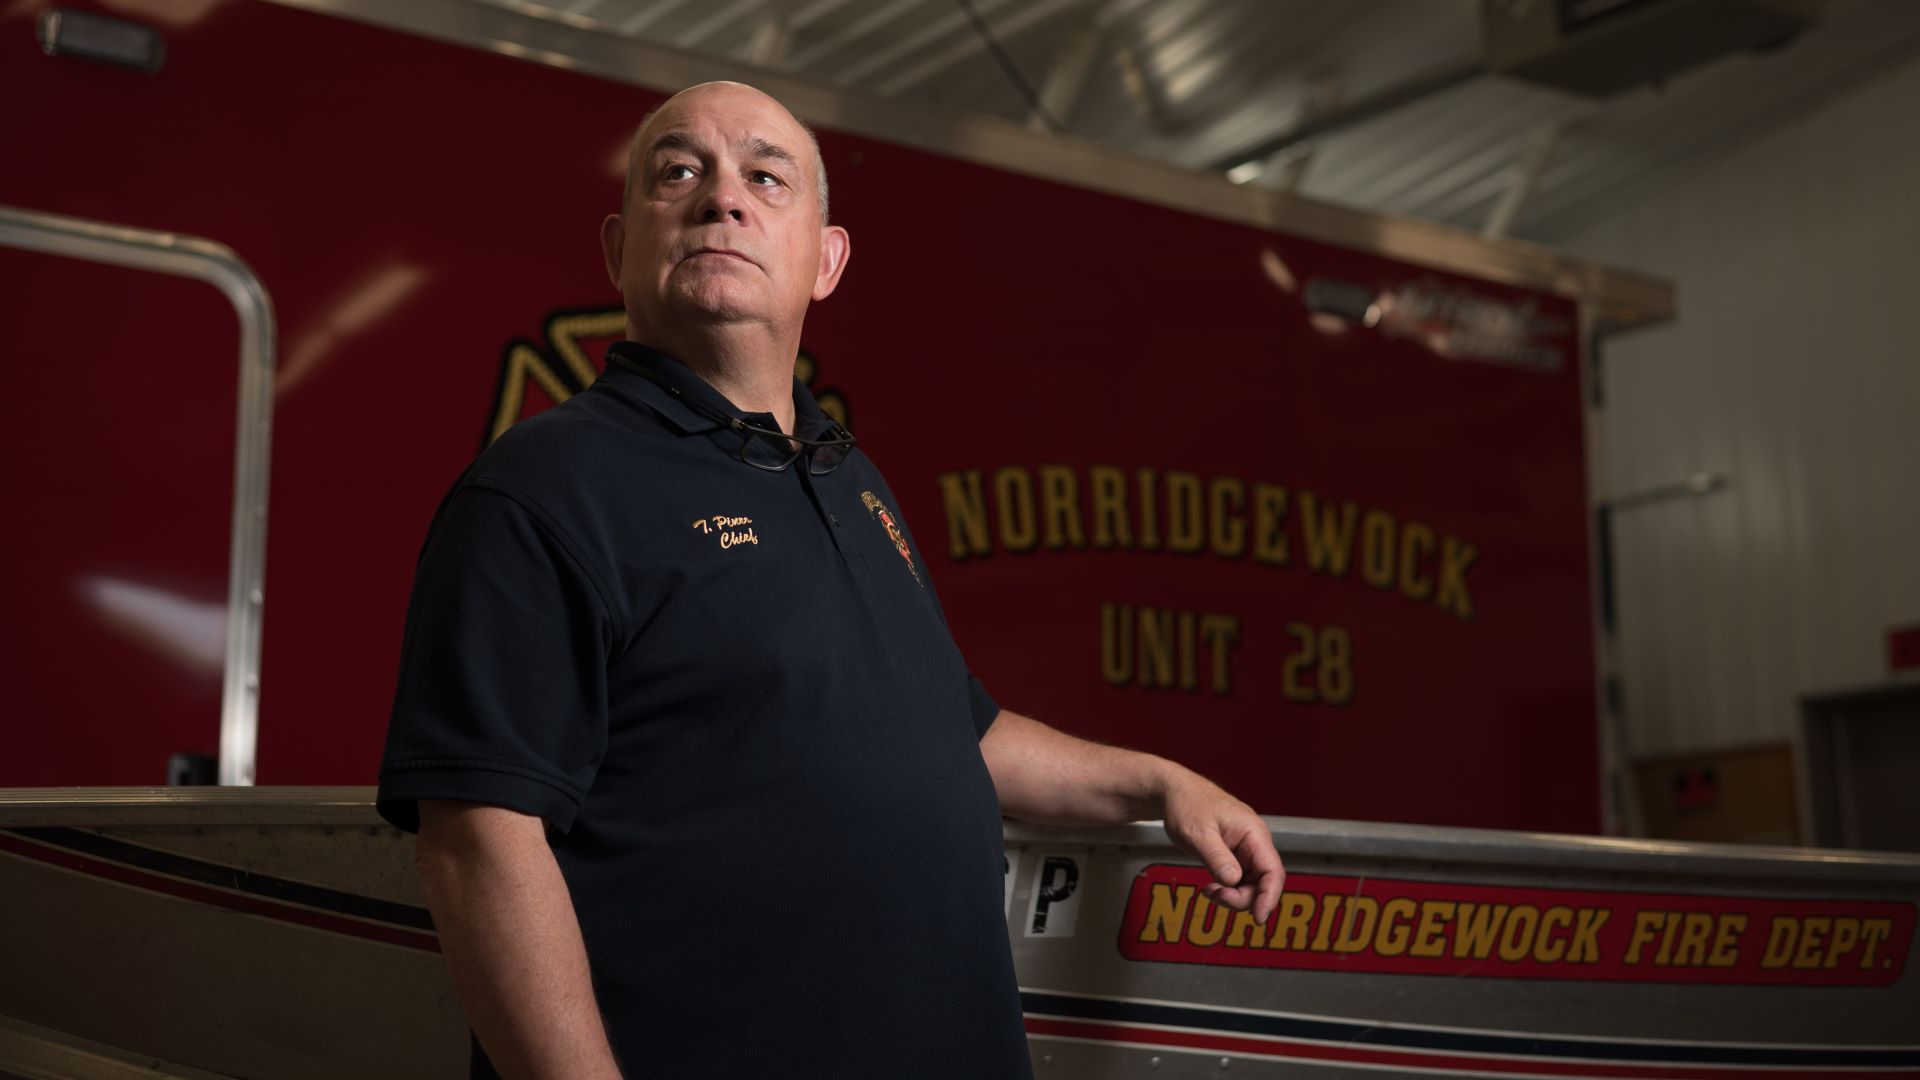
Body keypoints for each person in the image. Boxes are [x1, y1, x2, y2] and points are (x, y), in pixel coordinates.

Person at [376, 81, 1284, 1080]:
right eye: (677, 172)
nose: (722, 197)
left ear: (827, 260)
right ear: (617, 246)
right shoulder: (543, 489)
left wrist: (1159, 782)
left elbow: (960, 732)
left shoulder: (845, 476)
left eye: (767, 177)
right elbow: (478, 845)